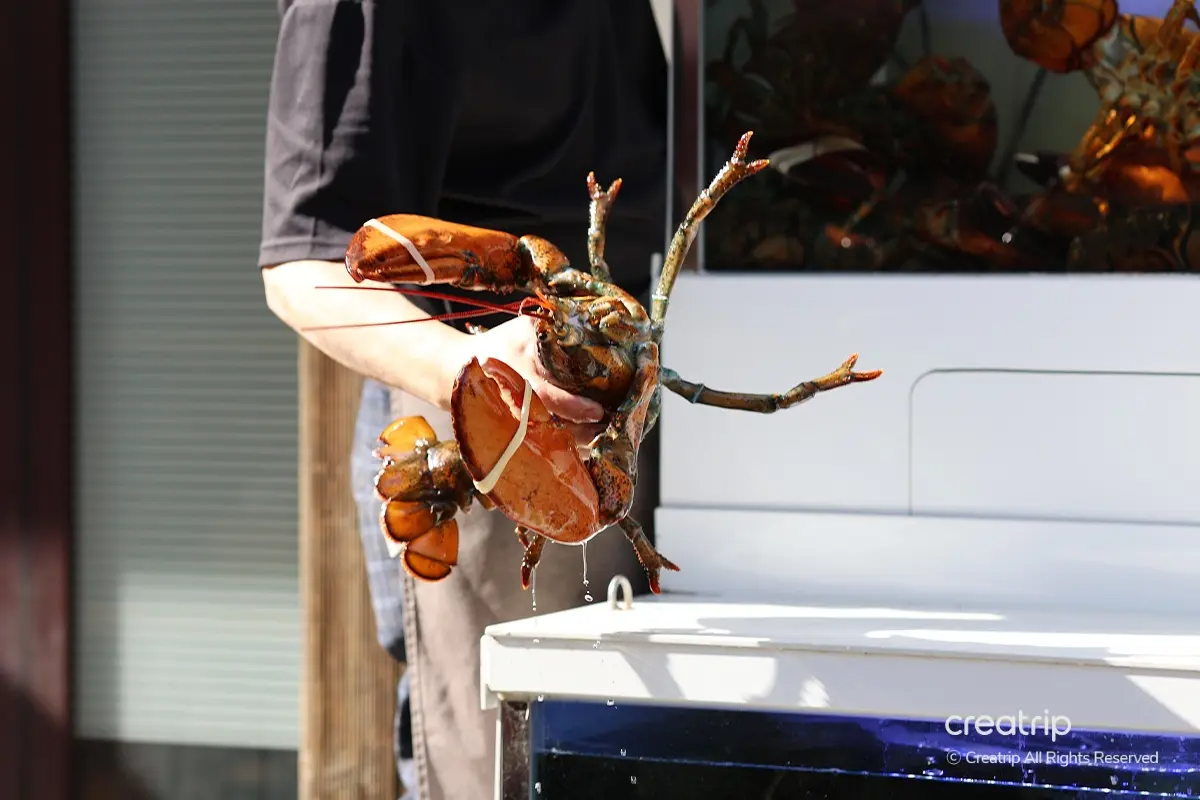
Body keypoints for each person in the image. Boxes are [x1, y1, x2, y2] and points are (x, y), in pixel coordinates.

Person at [258, 2, 672, 797]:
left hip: (642, 403)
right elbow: (302, 263)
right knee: (502, 772)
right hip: (494, 435)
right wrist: (475, 371)